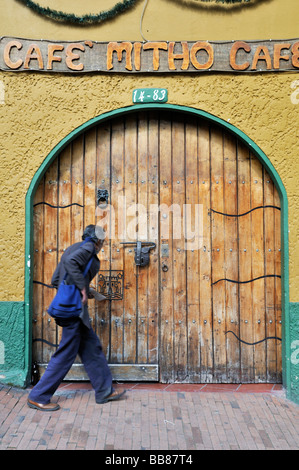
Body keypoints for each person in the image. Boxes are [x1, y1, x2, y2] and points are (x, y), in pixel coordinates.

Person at [28, 224, 126, 411]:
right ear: (98, 240)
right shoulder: (88, 248)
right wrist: (81, 288)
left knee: (91, 348)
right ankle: (38, 396)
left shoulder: (74, 247)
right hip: (73, 312)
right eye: (103, 240)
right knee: (66, 354)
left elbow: (56, 280)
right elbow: (72, 264)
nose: (103, 243)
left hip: (74, 310)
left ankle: (104, 390)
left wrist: (84, 291)